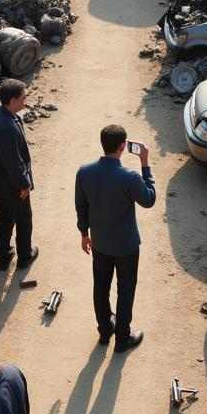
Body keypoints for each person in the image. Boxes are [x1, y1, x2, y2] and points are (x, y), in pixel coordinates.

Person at [74, 124, 156, 353]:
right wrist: (145, 163)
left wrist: (84, 233)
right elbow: (149, 200)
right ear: (123, 147)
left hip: (100, 243)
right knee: (125, 289)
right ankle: (123, 337)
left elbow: (81, 206)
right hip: (126, 245)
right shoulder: (128, 177)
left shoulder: (84, 171)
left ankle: (104, 330)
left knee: (100, 286)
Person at [0, 79, 38, 271]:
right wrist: (24, 184)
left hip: (1, 184)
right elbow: (13, 163)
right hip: (13, 186)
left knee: (5, 218)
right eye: (24, 97)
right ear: (13, 100)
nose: (26, 100)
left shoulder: (0, 116)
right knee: (24, 219)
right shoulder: (7, 127)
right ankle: (25, 256)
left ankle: (4, 256)